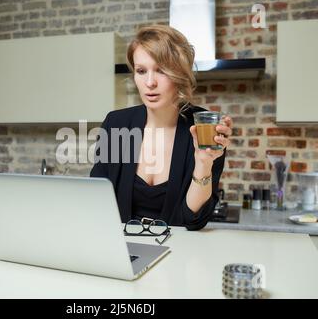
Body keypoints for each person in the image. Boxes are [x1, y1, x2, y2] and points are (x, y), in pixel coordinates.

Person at [90, 25, 233, 230]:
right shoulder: (116, 124)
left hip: (178, 255)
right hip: (121, 251)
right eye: (141, 71)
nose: (149, 82)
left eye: (161, 70)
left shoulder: (204, 128)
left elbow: (192, 220)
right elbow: (96, 203)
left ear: (179, 74)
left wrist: (203, 163)